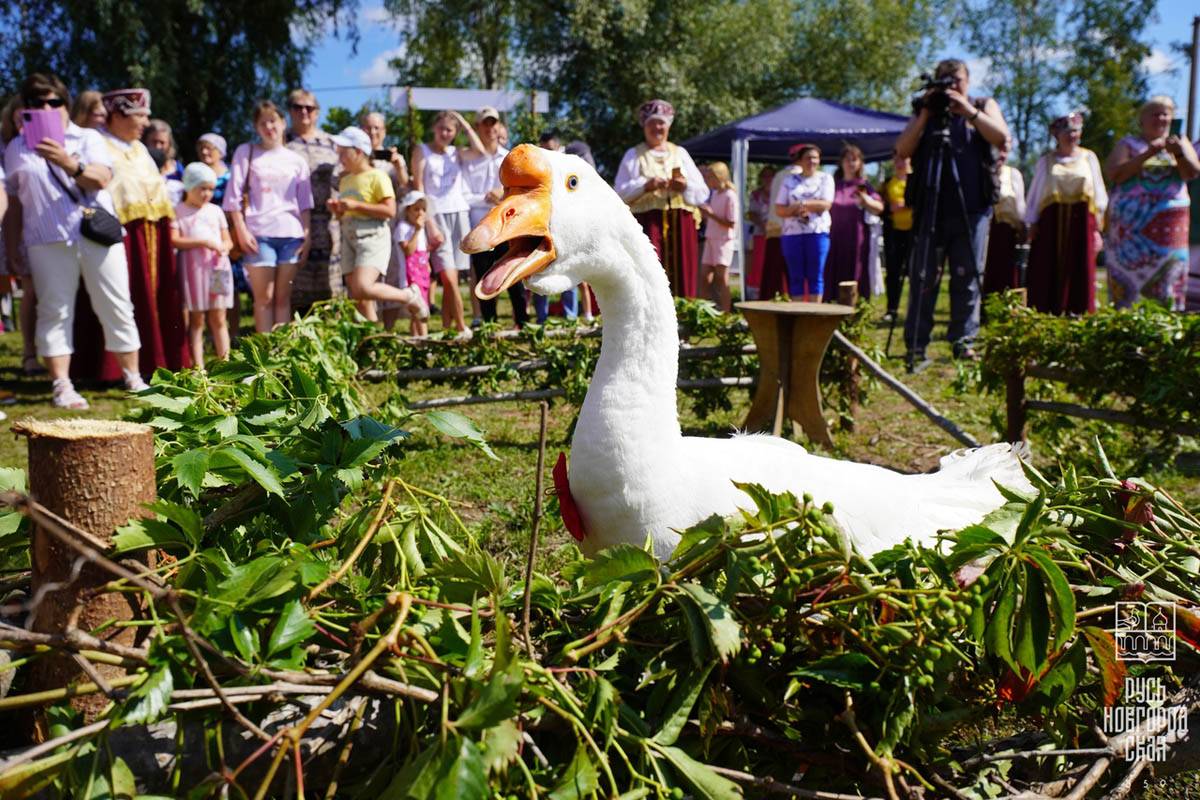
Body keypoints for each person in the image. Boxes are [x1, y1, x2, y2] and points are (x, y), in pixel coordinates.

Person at [3, 73, 144, 409]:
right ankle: (61, 384)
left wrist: (65, 160)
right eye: (38, 103)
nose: (47, 108)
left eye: (55, 102)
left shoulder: (88, 139)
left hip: (95, 233)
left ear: (66, 104)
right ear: (26, 109)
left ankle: (133, 377)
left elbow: (102, 178)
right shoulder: (17, 148)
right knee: (54, 310)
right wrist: (10, 248)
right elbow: (12, 202)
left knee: (117, 304)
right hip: (45, 238)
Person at [895, 58, 1010, 369]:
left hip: (973, 208)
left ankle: (963, 341)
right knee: (923, 276)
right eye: (944, 80)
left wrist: (969, 112)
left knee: (968, 276)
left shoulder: (982, 105)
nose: (951, 86)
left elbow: (1000, 137)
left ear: (968, 81)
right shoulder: (926, 110)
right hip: (931, 205)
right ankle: (916, 345)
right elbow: (902, 150)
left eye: (956, 79)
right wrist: (925, 115)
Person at [73, 87, 188, 380]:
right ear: (118, 116)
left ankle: (156, 359)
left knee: (152, 295)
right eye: (139, 116)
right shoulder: (98, 143)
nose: (144, 123)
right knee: (119, 296)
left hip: (153, 234)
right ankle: (110, 367)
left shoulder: (139, 149)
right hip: (118, 234)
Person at [225, 100, 313, 332]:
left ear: (283, 123)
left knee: (283, 299)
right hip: (258, 235)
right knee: (264, 298)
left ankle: (281, 356)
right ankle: (264, 358)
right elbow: (233, 198)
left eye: (273, 120)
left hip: (291, 235)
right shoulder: (246, 153)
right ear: (256, 127)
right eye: (262, 122)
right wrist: (241, 231)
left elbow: (305, 203)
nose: (269, 127)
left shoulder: (297, 161)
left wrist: (307, 235)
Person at [1105, 96, 1200, 309]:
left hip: (1169, 232)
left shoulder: (1182, 143)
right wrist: (1149, 153)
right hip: (1129, 234)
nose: (1161, 118)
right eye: (1155, 113)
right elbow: (1115, 173)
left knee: (1168, 279)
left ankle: (1166, 325)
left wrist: (1179, 153)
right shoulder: (1128, 144)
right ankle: (1125, 324)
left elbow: (1192, 173)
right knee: (1129, 284)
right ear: (1142, 120)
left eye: (1166, 113)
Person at [328, 126, 427, 326]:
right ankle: (372, 340)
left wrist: (356, 205)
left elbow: (389, 211)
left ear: (357, 152)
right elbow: (347, 213)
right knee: (357, 295)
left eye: (343, 152)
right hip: (349, 236)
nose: (339, 157)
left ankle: (409, 296)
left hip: (371, 236)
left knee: (364, 286)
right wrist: (338, 210)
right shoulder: (345, 180)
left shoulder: (377, 176)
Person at [614, 99, 708, 297]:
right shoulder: (633, 155)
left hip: (681, 224)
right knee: (650, 271)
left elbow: (702, 193)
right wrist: (646, 185)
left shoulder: (680, 153)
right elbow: (619, 193)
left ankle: (684, 314)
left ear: (668, 126)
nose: (657, 127)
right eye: (652, 123)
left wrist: (684, 185)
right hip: (648, 224)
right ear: (644, 126)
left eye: (661, 123)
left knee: (683, 270)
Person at [1023, 113, 1106, 314]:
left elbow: (1099, 193)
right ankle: (1045, 311)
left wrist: (1098, 228)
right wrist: (1031, 222)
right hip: (1051, 224)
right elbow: (1035, 194)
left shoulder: (1089, 158)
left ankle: (1078, 312)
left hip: (1082, 224)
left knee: (1080, 267)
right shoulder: (1047, 161)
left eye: (1076, 131)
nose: (1072, 135)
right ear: (1057, 135)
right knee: (1046, 267)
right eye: (1067, 131)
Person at [461, 106, 528, 327]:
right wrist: (485, 198)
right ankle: (490, 324)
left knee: (512, 272)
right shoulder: (469, 159)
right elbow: (463, 193)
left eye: (494, 123)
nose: (490, 128)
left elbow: (521, 190)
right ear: (478, 127)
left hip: (506, 224)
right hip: (480, 225)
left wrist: (503, 193)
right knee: (483, 276)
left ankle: (522, 321)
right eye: (486, 123)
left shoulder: (510, 156)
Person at [411, 109, 475, 336]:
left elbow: (482, 151)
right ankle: (461, 326)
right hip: (436, 217)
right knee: (447, 277)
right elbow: (418, 188)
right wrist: (429, 223)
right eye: (441, 129)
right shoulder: (422, 150)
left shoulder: (456, 152)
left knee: (454, 278)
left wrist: (464, 123)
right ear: (433, 129)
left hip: (460, 215)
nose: (445, 133)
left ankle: (447, 329)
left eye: (450, 130)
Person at [285, 89, 342, 311]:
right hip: (296, 221)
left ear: (317, 112)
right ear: (290, 111)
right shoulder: (283, 141)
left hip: (329, 223)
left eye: (309, 108)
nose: (304, 112)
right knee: (297, 283)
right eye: (298, 107)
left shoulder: (331, 143)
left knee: (330, 285)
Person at [173, 162, 233, 369]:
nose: (207, 193)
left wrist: (223, 247)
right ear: (189, 187)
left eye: (210, 189)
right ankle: (198, 367)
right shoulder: (179, 211)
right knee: (197, 318)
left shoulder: (215, 211)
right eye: (202, 188)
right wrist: (202, 242)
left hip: (217, 268)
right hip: (194, 269)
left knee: (219, 316)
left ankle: (225, 363)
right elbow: (175, 240)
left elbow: (228, 240)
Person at [1, 95, 40, 375]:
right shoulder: (8, 149)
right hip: (20, 227)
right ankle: (29, 353)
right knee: (31, 291)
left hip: (46, 225)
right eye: (18, 119)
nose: (22, 124)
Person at [361, 110, 411, 329]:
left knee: (390, 278)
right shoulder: (356, 156)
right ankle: (371, 330)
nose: (372, 132)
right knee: (366, 281)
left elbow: (406, 191)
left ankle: (388, 332)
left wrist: (399, 168)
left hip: (388, 228)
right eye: (368, 127)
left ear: (384, 132)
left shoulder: (392, 161)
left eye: (377, 128)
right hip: (363, 226)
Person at [774, 143, 835, 302]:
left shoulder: (825, 178)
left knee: (816, 275)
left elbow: (826, 204)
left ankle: (814, 315)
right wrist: (795, 209)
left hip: (817, 233)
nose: (812, 161)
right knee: (796, 276)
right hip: (792, 234)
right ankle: (798, 314)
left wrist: (801, 205)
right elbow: (779, 209)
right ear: (800, 161)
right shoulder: (789, 180)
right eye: (808, 158)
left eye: (815, 158)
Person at [825, 144, 884, 301]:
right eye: (848, 159)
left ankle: (855, 309)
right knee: (833, 270)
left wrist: (866, 201)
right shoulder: (832, 185)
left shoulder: (863, 185)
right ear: (841, 162)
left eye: (855, 160)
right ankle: (831, 307)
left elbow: (879, 208)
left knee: (855, 271)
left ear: (860, 163)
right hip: (834, 237)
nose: (851, 163)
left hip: (856, 238)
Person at [982, 140, 1026, 297]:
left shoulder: (1013, 175)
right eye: (998, 150)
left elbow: (1020, 204)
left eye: (1005, 151)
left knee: (1006, 271)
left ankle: (1007, 305)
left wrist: (1023, 228)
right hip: (986, 232)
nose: (1001, 155)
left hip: (1007, 233)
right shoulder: (982, 171)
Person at [698, 161, 738, 311]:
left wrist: (711, 215)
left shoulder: (730, 196)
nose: (708, 180)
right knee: (704, 277)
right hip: (711, 238)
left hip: (723, 240)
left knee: (721, 278)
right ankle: (705, 310)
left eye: (710, 177)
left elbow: (730, 222)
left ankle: (727, 311)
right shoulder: (714, 194)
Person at [395, 190, 432, 336]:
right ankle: (424, 339)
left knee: (418, 311)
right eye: (416, 209)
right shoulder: (403, 228)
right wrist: (416, 231)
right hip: (410, 276)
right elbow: (408, 251)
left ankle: (416, 338)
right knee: (419, 310)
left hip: (422, 275)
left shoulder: (421, 229)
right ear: (407, 210)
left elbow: (423, 252)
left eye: (423, 209)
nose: (420, 213)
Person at [881, 152, 912, 319]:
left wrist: (906, 204)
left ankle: (915, 309)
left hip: (914, 233)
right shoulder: (887, 183)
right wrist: (889, 208)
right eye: (897, 160)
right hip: (894, 233)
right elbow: (881, 207)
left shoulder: (916, 181)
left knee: (915, 272)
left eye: (903, 159)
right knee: (893, 272)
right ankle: (892, 309)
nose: (900, 163)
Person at [745, 166, 776, 300]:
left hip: (777, 234)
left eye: (770, 176)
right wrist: (763, 225)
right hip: (760, 234)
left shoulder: (780, 192)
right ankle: (756, 294)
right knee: (759, 263)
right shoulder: (756, 194)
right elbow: (751, 214)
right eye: (765, 176)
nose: (768, 179)